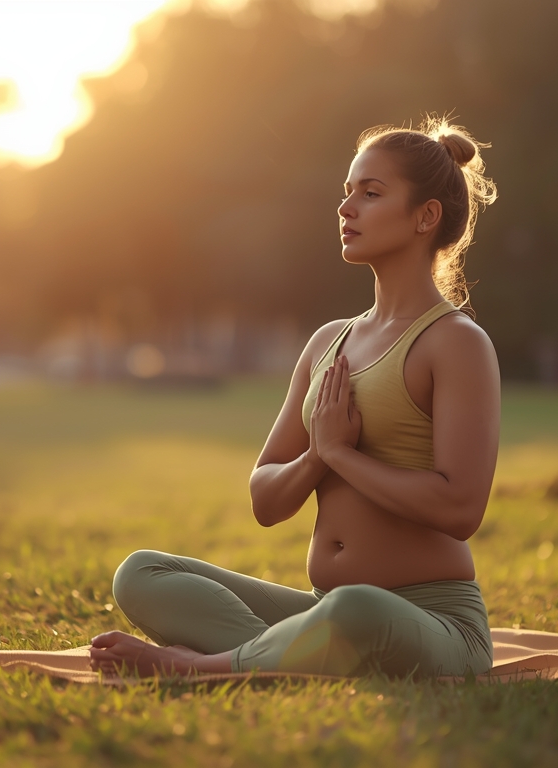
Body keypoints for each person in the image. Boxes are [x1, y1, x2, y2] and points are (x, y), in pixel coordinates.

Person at [90, 118, 500, 678]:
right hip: (325, 608)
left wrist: (341, 457)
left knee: (355, 610)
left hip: (431, 620)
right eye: (347, 192)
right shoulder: (328, 342)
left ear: (425, 216)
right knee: (141, 573)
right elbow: (266, 500)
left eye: (371, 194)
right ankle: (285, 655)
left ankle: (203, 667)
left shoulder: (455, 343)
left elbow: (461, 510)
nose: (346, 208)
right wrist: (317, 456)